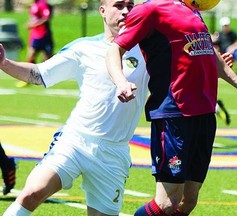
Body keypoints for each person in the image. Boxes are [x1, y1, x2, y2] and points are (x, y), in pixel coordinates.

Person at [105, 0, 237, 215]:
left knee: (187, 202)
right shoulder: (149, 9)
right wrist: (120, 81)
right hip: (174, 113)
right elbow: (115, 48)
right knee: (167, 203)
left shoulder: (192, 9)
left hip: (205, 113)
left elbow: (207, 49)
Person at [0, 0, 149, 215]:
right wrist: (5, 63)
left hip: (114, 153)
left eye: (130, 5)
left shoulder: (148, 52)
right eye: (118, 5)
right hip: (76, 141)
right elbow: (39, 74)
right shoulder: (83, 48)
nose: (126, 11)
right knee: (32, 193)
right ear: (102, 10)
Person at [16, 0, 54, 88]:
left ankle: (50, 77)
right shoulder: (34, 5)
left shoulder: (42, 4)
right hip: (35, 35)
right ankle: (27, 79)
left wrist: (33, 25)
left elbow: (46, 17)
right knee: (31, 56)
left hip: (44, 35)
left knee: (47, 59)